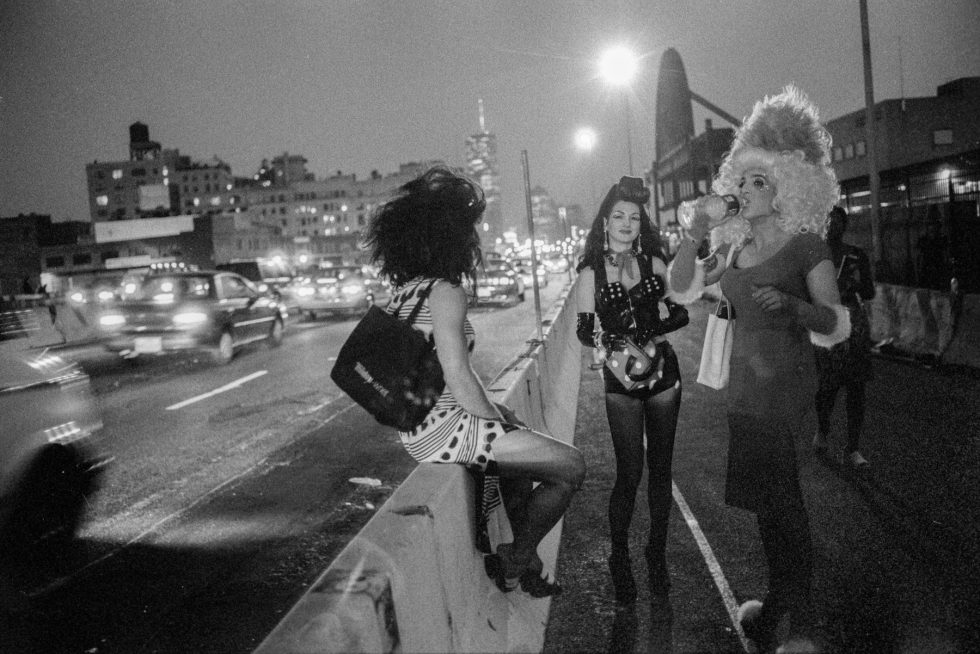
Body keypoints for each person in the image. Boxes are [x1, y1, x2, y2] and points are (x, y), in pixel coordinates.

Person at [669, 86, 849, 651]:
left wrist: (794, 307)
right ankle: (781, 610)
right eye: (741, 181)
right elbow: (684, 289)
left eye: (759, 181)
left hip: (790, 395)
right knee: (769, 512)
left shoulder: (807, 248)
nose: (744, 191)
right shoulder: (736, 249)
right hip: (745, 397)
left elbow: (838, 325)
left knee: (785, 509)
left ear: (788, 188)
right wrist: (697, 231)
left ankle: (798, 622)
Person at [362, 166, 585, 597]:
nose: (475, 238)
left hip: (422, 428)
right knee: (571, 467)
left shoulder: (406, 292)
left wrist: (501, 415)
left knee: (518, 463)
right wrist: (498, 425)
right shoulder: (446, 292)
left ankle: (527, 566)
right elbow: (459, 377)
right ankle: (516, 557)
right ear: (449, 236)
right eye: (469, 229)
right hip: (446, 430)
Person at [574, 176, 689, 604]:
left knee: (661, 468)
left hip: (662, 372)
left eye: (634, 217)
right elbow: (586, 331)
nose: (626, 223)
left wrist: (648, 323)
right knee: (629, 472)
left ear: (642, 223)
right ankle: (619, 557)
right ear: (605, 220)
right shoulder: (591, 270)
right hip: (620, 377)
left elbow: (681, 315)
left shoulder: (655, 261)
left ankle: (655, 553)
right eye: (618, 215)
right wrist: (615, 331)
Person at [813, 206, 875, 468]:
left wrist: (854, 282)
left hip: (855, 325)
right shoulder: (814, 255)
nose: (834, 226)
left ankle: (853, 448)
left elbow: (869, 291)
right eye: (829, 221)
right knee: (827, 387)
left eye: (839, 221)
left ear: (845, 225)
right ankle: (823, 430)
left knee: (856, 387)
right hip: (828, 324)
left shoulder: (857, 255)